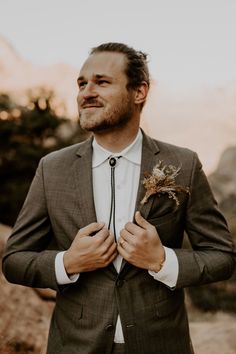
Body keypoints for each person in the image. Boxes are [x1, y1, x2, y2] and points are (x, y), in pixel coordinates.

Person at [2, 42, 235, 354]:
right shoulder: (52, 169)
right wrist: (67, 262)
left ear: (139, 92)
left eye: (102, 81)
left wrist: (163, 261)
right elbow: (14, 261)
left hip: (161, 345)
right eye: (82, 83)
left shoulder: (184, 164)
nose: (86, 92)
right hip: (76, 346)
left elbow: (222, 256)